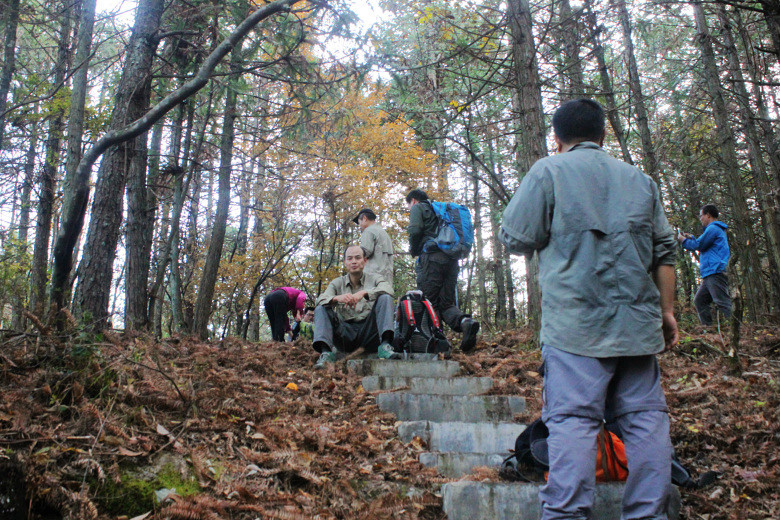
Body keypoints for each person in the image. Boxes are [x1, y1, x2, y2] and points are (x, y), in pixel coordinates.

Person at [499, 99, 679, 520]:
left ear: (557, 139)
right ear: (603, 135)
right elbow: (665, 252)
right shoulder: (640, 180)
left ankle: (565, 515)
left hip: (575, 328)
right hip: (637, 325)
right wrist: (667, 312)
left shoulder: (548, 171)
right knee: (645, 421)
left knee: (574, 423)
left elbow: (514, 237)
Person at [405, 189, 479, 352]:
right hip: (451, 260)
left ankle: (438, 343)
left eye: (409, 204)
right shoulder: (440, 212)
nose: (410, 207)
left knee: (429, 302)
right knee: (446, 303)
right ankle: (465, 323)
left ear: (414, 201)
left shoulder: (419, 208)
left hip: (431, 260)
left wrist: (413, 249)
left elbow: (415, 230)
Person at [313, 245, 397, 368]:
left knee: (385, 297)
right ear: (345, 262)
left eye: (358, 258)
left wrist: (364, 293)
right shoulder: (337, 283)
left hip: (369, 333)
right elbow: (320, 299)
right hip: (345, 334)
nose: (354, 262)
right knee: (321, 307)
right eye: (350, 258)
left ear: (365, 260)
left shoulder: (375, 278)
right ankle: (325, 353)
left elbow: (388, 289)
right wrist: (336, 298)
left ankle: (385, 345)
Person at [678, 204, 732, 326]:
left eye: (701, 216)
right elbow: (702, 244)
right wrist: (691, 238)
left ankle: (736, 329)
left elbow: (699, 245)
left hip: (715, 270)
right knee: (700, 300)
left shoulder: (713, 229)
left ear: (708, 215)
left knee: (722, 301)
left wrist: (683, 240)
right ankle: (709, 331)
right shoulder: (713, 230)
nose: (700, 218)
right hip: (710, 272)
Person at [354, 208, 395, 288]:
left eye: (359, 222)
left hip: (372, 280)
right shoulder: (384, 233)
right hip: (386, 281)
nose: (359, 226)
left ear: (365, 218)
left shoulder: (368, 231)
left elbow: (365, 252)